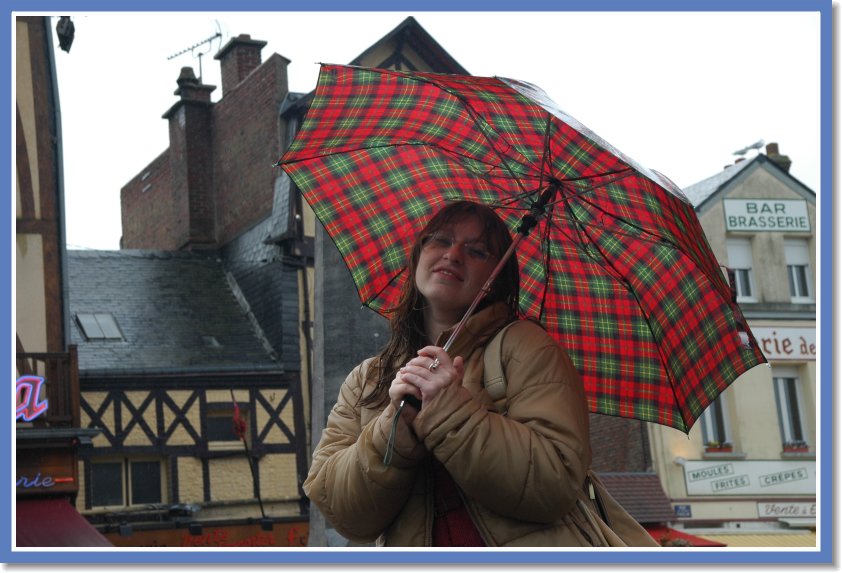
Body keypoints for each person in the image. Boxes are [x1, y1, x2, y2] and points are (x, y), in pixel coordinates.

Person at [303, 200, 593, 546]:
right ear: (418, 254)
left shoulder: (528, 349)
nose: (453, 254)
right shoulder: (369, 378)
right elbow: (340, 510)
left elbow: (556, 482)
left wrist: (450, 412)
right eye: (440, 240)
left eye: (477, 251)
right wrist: (394, 430)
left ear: (496, 276)